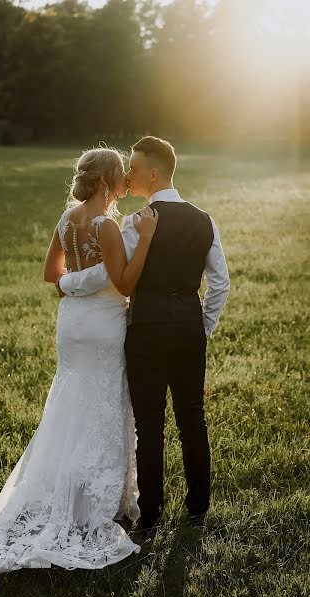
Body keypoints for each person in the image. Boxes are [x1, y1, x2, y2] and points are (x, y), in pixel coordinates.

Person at [0, 147, 158, 573]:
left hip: (71, 325)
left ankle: (67, 485)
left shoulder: (67, 220)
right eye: (122, 174)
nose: (127, 180)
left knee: (70, 401)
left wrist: (74, 283)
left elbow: (52, 274)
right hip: (103, 325)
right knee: (104, 399)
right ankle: (96, 499)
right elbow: (124, 280)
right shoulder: (106, 225)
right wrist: (142, 242)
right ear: (107, 181)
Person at [57, 136, 230, 533]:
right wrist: (202, 326)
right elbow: (220, 283)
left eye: (133, 167)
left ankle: (150, 513)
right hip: (188, 327)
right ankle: (198, 508)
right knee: (193, 419)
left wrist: (67, 284)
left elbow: (120, 280)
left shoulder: (134, 223)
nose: (128, 173)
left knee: (149, 424)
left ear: (154, 173)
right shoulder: (205, 220)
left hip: (147, 330)